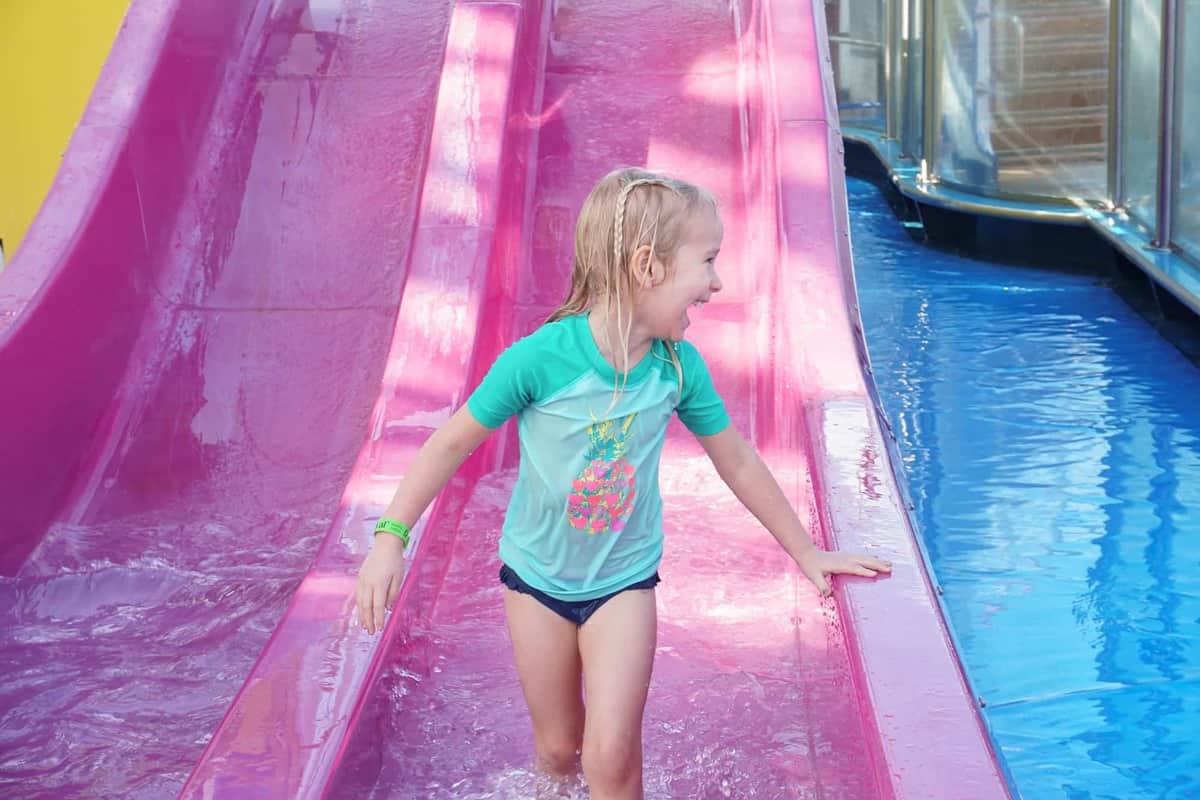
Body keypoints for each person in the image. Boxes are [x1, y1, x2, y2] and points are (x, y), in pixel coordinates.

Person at [355, 166, 892, 799]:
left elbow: (737, 460)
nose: (716, 283)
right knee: (558, 751)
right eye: (707, 262)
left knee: (611, 754)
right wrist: (390, 537)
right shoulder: (539, 359)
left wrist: (807, 551)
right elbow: (448, 443)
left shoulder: (676, 368)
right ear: (648, 266)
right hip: (534, 582)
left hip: (623, 585)